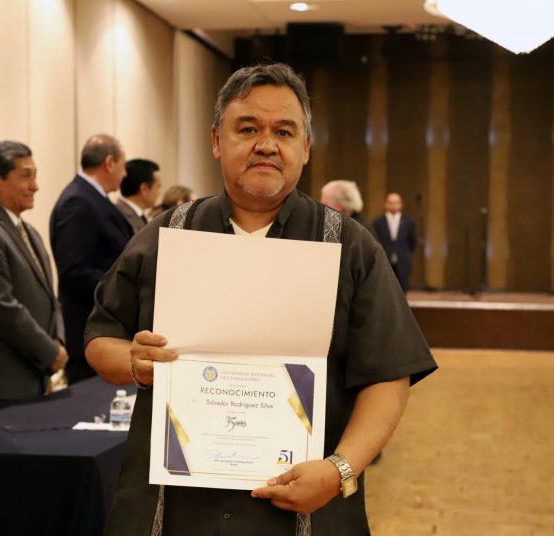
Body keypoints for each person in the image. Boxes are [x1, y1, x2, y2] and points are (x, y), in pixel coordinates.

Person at [85, 63, 436, 535]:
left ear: (305, 148)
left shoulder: (348, 246)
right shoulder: (168, 234)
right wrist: (132, 360)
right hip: (173, 509)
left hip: (307, 508)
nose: (266, 144)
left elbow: (389, 375)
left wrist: (340, 470)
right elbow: (100, 337)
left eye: (284, 132)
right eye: (248, 129)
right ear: (217, 140)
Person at [0, 141, 68, 417]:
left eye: (35, 175)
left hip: (35, 376)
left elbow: (51, 296)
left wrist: (58, 341)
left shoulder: (28, 230)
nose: (35, 186)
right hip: (3, 384)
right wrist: (49, 352)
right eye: (25, 176)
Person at [50, 134, 133, 384]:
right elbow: (74, 270)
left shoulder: (92, 198)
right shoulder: (78, 201)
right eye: (123, 166)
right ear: (109, 163)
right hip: (87, 331)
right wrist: (123, 290)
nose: (124, 174)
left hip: (102, 329)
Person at [373, 192, 417, 292]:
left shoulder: (409, 221)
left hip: (403, 261)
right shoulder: (377, 222)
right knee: (385, 289)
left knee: (402, 290)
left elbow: (413, 242)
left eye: (396, 202)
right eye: (390, 202)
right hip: (384, 260)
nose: (393, 205)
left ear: (401, 204)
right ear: (385, 204)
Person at [116, 158, 162, 232]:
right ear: (144, 189)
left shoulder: (138, 215)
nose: (159, 193)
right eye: (158, 187)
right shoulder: (119, 217)